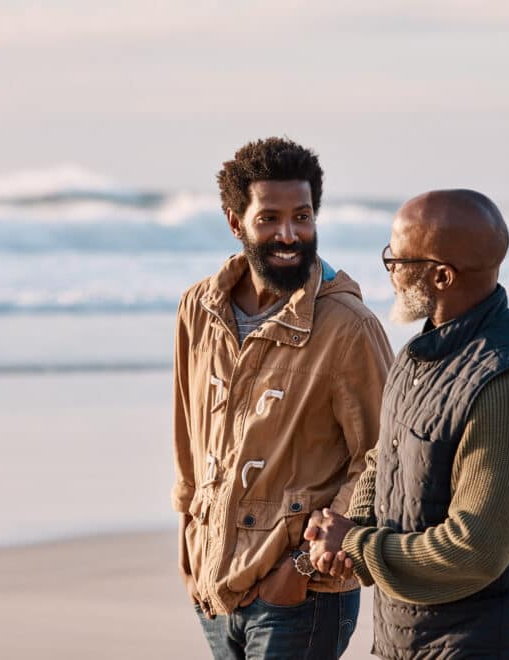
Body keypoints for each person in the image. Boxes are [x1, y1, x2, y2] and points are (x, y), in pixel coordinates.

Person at [305, 189, 509, 659]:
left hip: (484, 645)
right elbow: (384, 459)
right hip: (409, 641)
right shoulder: (417, 356)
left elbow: (475, 550)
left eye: (398, 260)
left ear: (442, 276)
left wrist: (359, 546)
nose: (390, 273)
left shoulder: (507, 384)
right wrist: (349, 531)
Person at [171, 137, 393, 659]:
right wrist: (187, 537)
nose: (289, 234)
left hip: (299, 594)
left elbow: (384, 455)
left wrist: (300, 567)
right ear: (235, 222)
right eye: (269, 218)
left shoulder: (348, 327)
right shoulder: (198, 309)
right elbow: (189, 427)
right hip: (215, 583)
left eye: (302, 216)